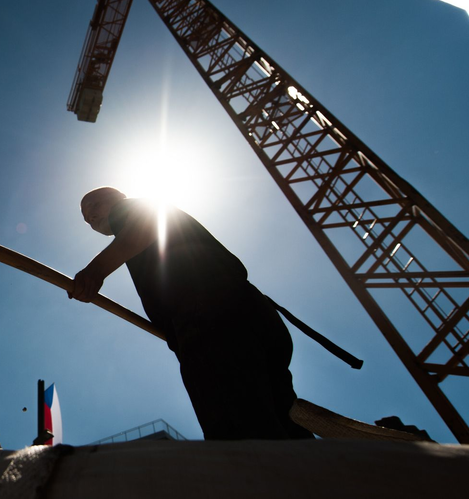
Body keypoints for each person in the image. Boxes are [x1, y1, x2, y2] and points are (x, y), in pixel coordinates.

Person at [69, 187, 313, 440]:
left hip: (211, 319)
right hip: (251, 312)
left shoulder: (129, 209)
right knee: (284, 419)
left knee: (239, 431)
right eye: (86, 218)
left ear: (116, 199)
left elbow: (146, 226)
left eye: (94, 206)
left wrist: (95, 270)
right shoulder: (159, 217)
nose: (90, 218)